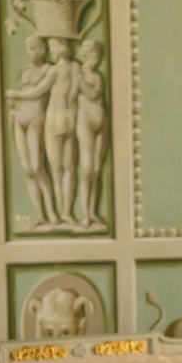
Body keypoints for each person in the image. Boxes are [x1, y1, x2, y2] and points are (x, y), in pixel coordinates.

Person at [6, 36, 57, 228]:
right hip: (20, 118)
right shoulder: (26, 72)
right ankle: (39, 213)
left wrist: (16, 95)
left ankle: (52, 212)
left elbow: (38, 92)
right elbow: (22, 95)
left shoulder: (49, 70)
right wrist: (14, 103)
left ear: (42, 50)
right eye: (28, 49)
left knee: (37, 166)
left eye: (34, 48)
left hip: (36, 117)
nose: (30, 53)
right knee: (28, 170)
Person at [74, 40, 108, 231]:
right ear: (85, 55)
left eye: (98, 55)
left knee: (96, 169)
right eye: (93, 54)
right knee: (87, 169)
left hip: (101, 122)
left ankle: (92, 212)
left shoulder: (96, 77)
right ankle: (85, 214)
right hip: (85, 121)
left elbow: (95, 92)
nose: (96, 58)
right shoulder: (78, 75)